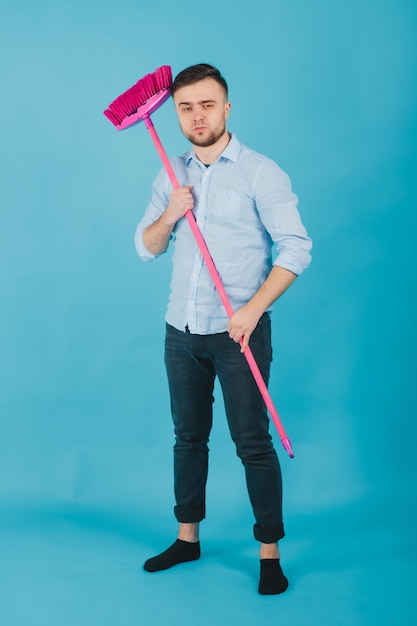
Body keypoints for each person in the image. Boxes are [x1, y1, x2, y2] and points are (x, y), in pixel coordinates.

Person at [135, 63, 312, 595]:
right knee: (188, 438)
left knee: (252, 442)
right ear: (176, 114)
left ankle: (269, 553)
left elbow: (297, 248)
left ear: (227, 107)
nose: (196, 116)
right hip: (181, 332)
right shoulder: (171, 174)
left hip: (240, 331)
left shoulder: (261, 172)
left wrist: (254, 308)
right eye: (185, 107)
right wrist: (170, 214)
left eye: (206, 105)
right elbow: (144, 247)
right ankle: (187, 538)